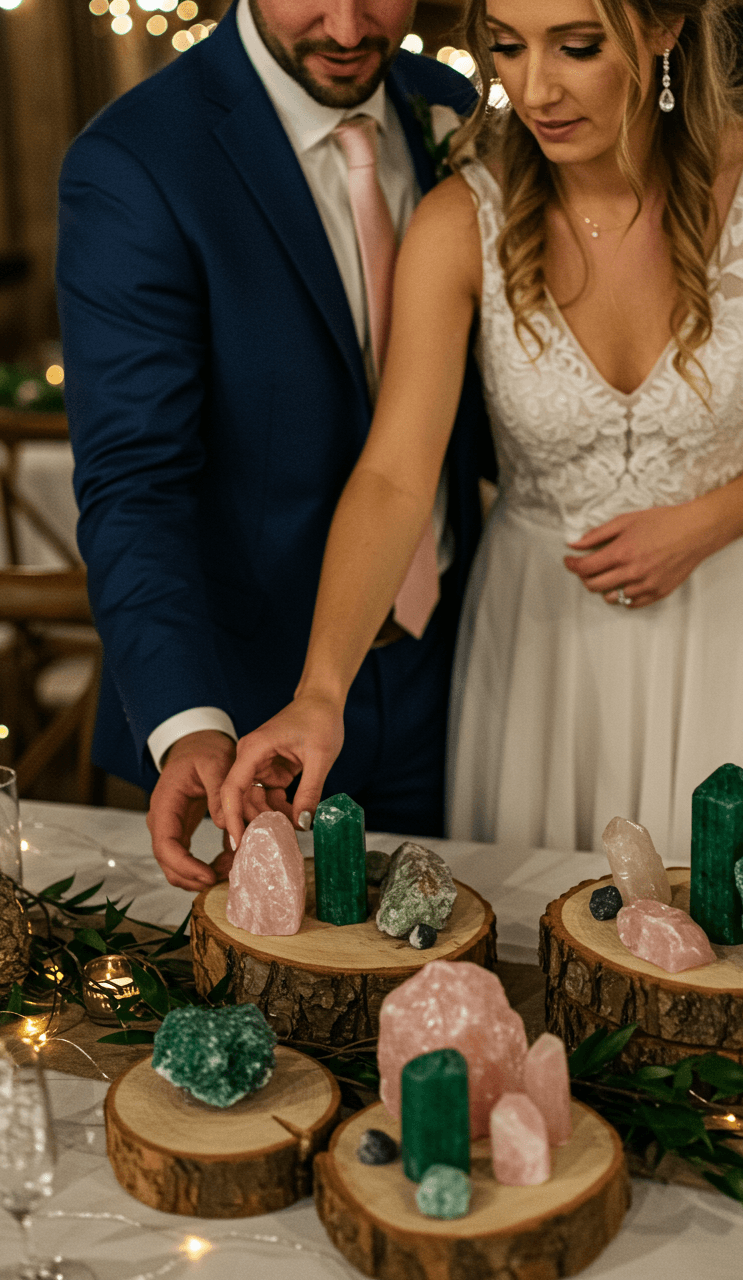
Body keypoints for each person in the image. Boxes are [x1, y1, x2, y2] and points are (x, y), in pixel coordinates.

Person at [221, 0, 743, 870]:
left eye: (578, 47)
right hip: (537, 643)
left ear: (666, 27)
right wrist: (319, 690)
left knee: (730, 953)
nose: (534, 89)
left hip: (725, 624)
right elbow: (395, 477)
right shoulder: (460, 220)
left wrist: (708, 522)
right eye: (508, 48)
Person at [56, 0, 490, 892]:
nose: (345, 26)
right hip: (250, 715)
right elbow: (135, 483)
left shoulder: (453, 107)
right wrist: (189, 721)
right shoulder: (137, 161)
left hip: (457, 679)